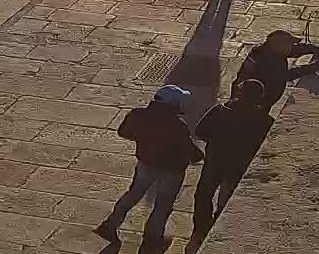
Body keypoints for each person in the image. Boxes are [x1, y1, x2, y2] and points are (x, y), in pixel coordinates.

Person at [95, 85, 201, 244]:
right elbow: (191, 152)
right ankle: (152, 238)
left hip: (145, 164)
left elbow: (123, 132)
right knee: (163, 204)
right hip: (171, 170)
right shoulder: (177, 126)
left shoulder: (138, 115)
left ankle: (110, 224)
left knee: (133, 195)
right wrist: (198, 156)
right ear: (172, 104)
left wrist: (143, 138)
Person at [191, 78, 274, 236]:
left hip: (215, 160)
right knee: (229, 198)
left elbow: (200, 131)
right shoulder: (265, 120)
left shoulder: (220, 111)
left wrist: (216, 140)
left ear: (240, 93)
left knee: (204, 195)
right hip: (240, 164)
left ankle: (201, 228)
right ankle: (219, 226)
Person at [235, 30, 319, 109]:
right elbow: (287, 75)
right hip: (256, 99)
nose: (291, 47)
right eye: (289, 45)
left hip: (259, 94)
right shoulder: (265, 61)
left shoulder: (270, 49)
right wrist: (318, 66)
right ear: (280, 45)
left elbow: (296, 49)